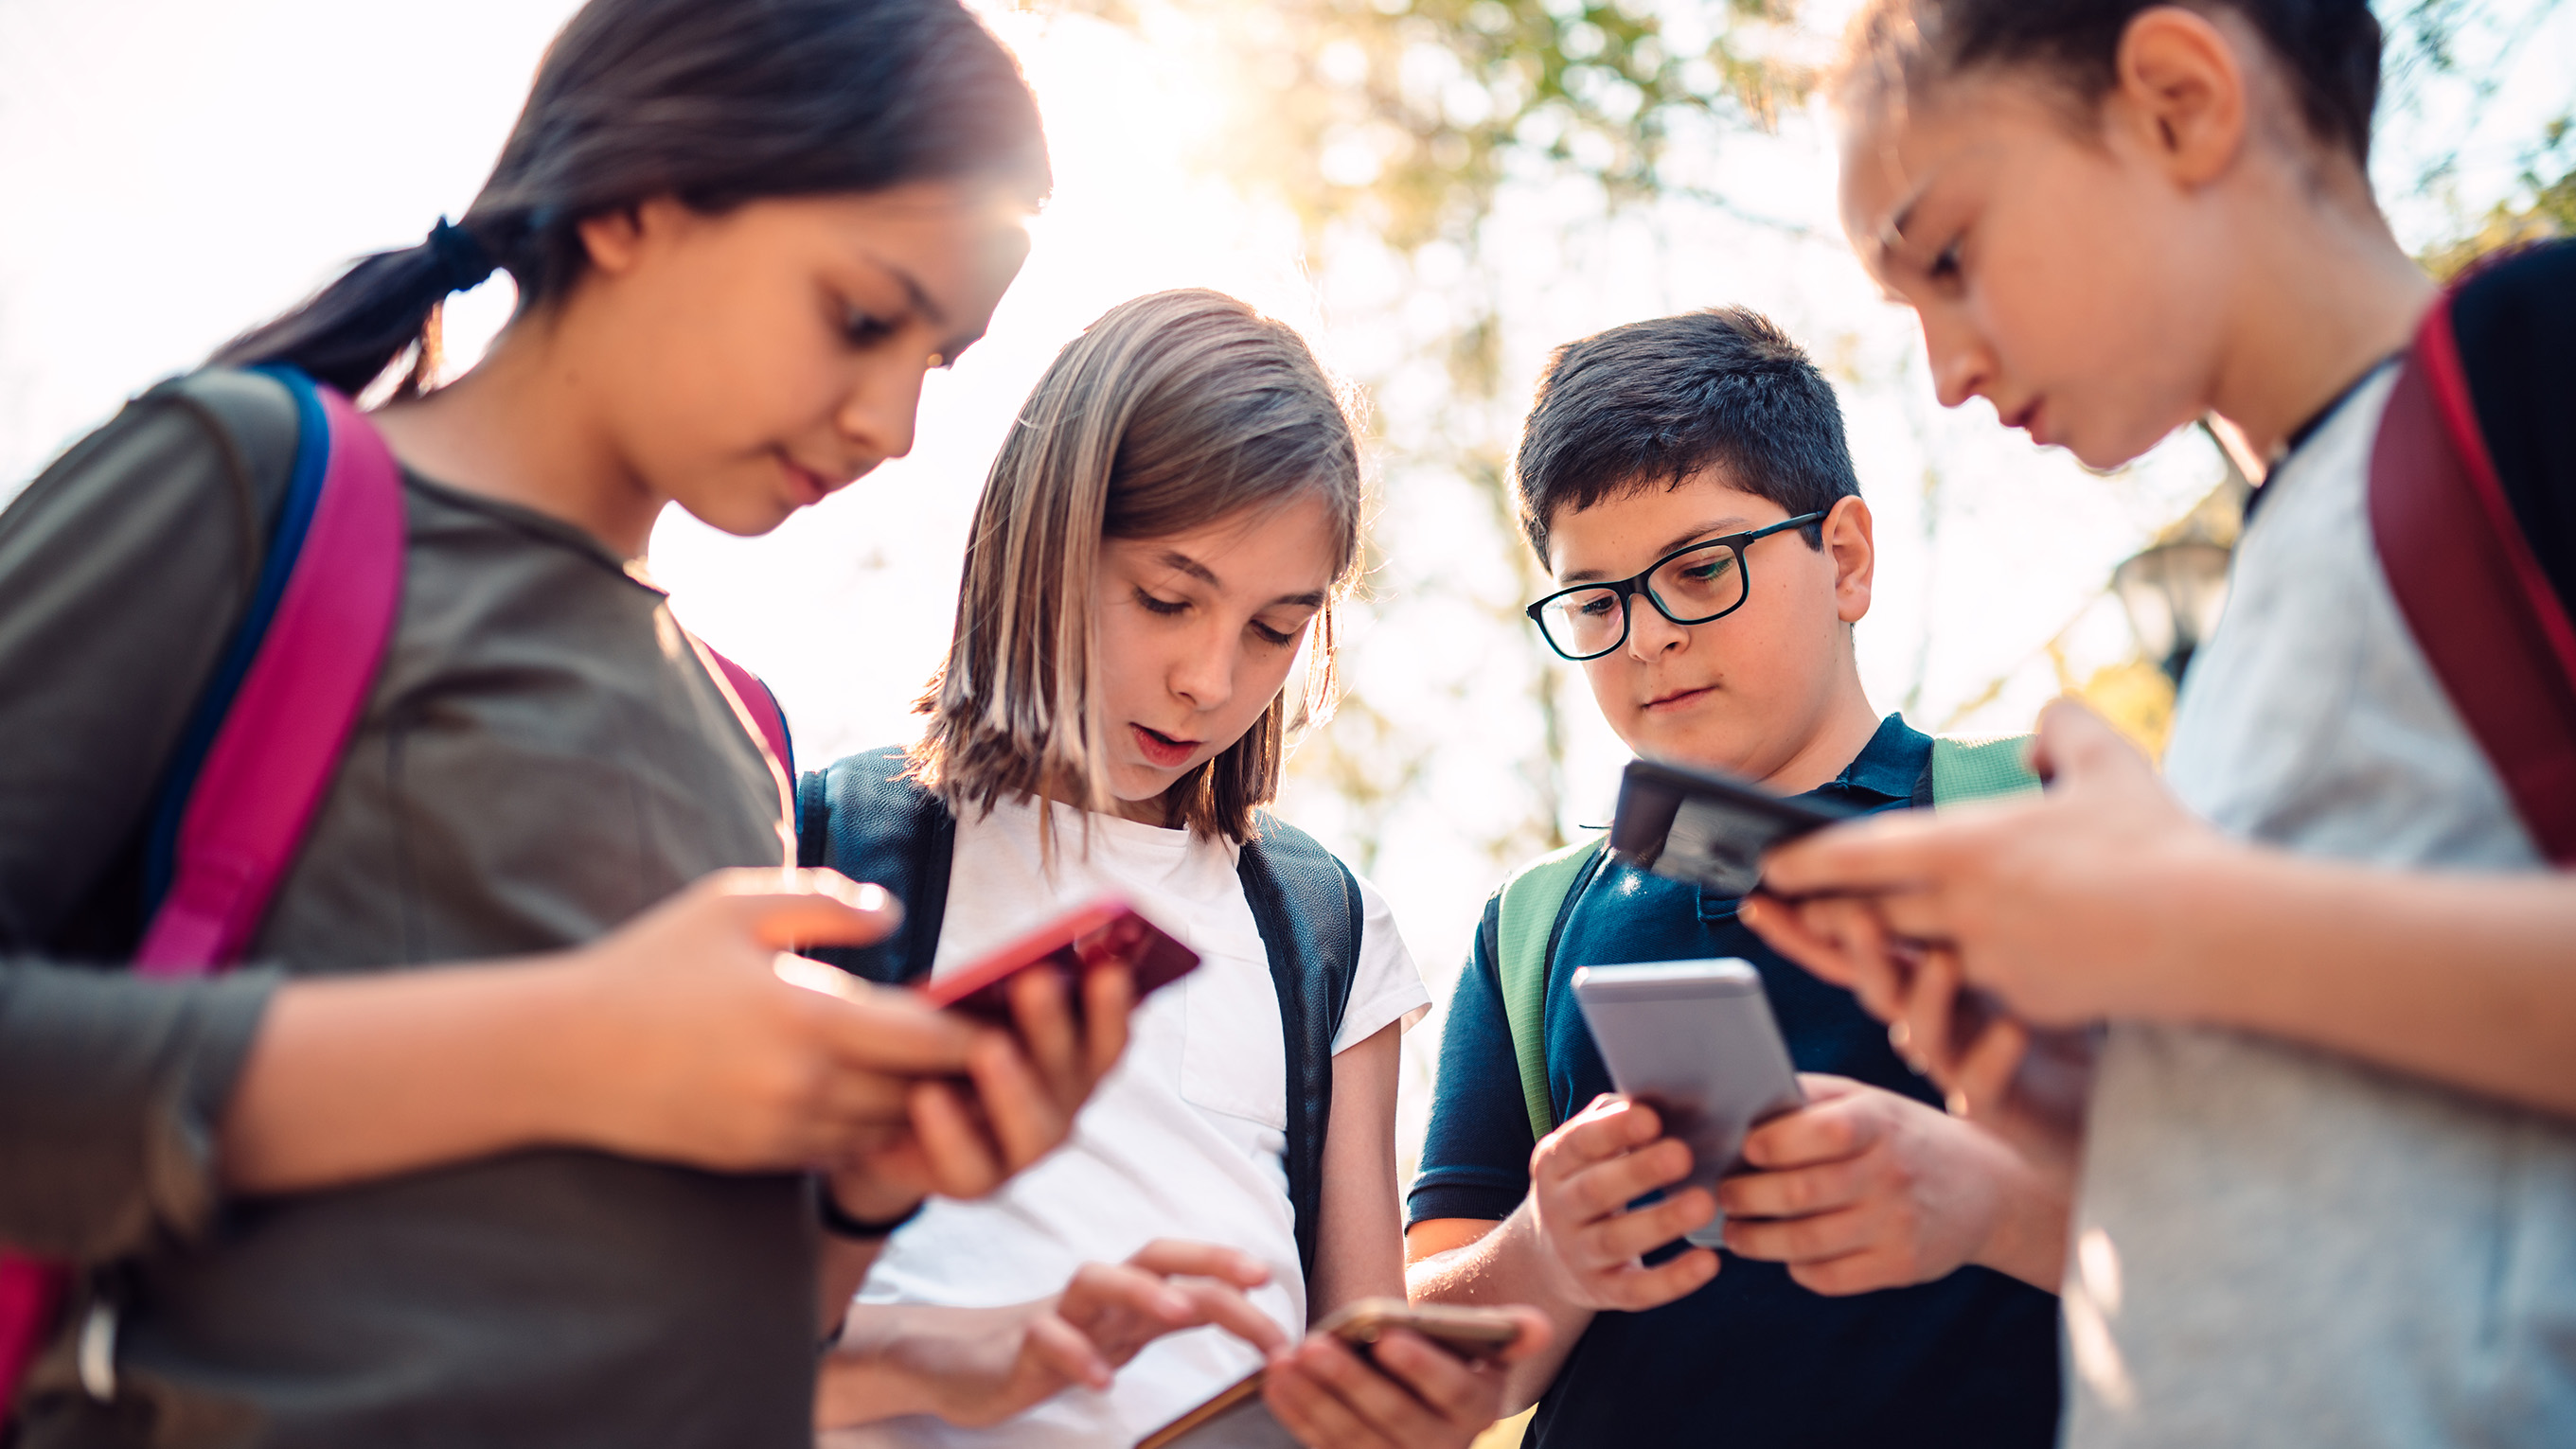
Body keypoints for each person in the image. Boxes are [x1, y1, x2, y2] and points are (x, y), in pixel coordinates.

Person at [0, 2, 1135, 1444]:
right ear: (640, 201)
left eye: (941, 359)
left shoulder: (744, 729)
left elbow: (700, 1323)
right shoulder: (248, 484)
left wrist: (865, 1181)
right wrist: (568, 1042)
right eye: (860, 316)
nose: (891, 427)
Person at [1744, 3, 2576, 1445]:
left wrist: (2181, 923)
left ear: (2180, 100)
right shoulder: (2264, 589)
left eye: (1947, 254)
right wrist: (2108, 1114)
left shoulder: (2530, 366)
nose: (1941, 370)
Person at [802, 288, 1548, 1449]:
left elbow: (1359, 1365)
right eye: (1168, 598)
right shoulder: (832, 850)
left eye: (1274, 629)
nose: (1210, 677)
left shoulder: (1325, 927)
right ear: (1046, 538)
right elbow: (685, 1342)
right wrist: (957, 1361)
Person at [1403, 308, 2064, 1447]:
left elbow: (2241, 1219)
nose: (1648, 636)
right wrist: (1549, 1251)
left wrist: (1986, 1201)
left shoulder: (2039, 820)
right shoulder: (1532, 924)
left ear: (1844, 557)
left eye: (1701, 569)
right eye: (1598, 600)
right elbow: (1430, 1356)